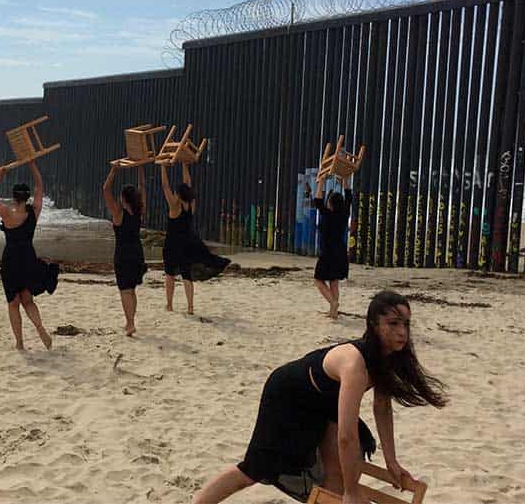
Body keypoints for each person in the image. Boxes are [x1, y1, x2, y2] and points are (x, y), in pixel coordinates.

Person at [191, 291, 448, 504]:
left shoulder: (386, 358)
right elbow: (346, 437)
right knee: (254, 470)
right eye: (393, 323)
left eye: (406, 324)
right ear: (373, 325)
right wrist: (352, 492)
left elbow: (382, 407)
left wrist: (392, 461)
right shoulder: (354, 364)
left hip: (324, 403)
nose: (402, 332)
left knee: (336, 476)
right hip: (289, 396)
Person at [0, 161, 59, 350]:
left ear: (13, 197)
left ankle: (19, 342)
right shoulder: (34, 212)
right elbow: (39, 186)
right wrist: (33, 163)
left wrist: (0, 176)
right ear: (27, 197)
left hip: (10, 259)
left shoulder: (7, 213)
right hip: (28, 257)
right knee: (28, 300)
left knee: (13, 303)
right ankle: (40, 328)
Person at [160, 162, 230, 314]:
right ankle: (190, 307)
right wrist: (184, 164)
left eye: (175, 192)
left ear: (177, 194)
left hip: (172, 244)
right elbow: (188, 184)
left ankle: (170, 305)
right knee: (186, 275)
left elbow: (165, 186)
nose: (173, 192)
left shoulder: (174, 206)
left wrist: (162, 166)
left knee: (170, 275)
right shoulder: (191, 204)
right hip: (188, 244)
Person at [103, 165, 148, 336]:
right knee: (132, 289)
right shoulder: (139, 211)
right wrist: (140, 167)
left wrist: (113, 171)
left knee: (125, 290)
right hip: (137, 253)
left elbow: (106, 189)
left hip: (123, 255)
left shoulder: (118, 213)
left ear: (123, 199)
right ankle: (130, 321)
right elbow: (142, 187)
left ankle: (130, 323)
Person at [313, 174, 352, 319]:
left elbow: (317, 201)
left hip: (328, 252)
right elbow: (349, 197)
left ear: (331, 204)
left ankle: (333, 303)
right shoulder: (344, 214)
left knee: (318, 280)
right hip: (341, 252)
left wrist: (321, 182)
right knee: (334, 282)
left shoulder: (327, 214)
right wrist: (345, 181)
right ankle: (333, 312)